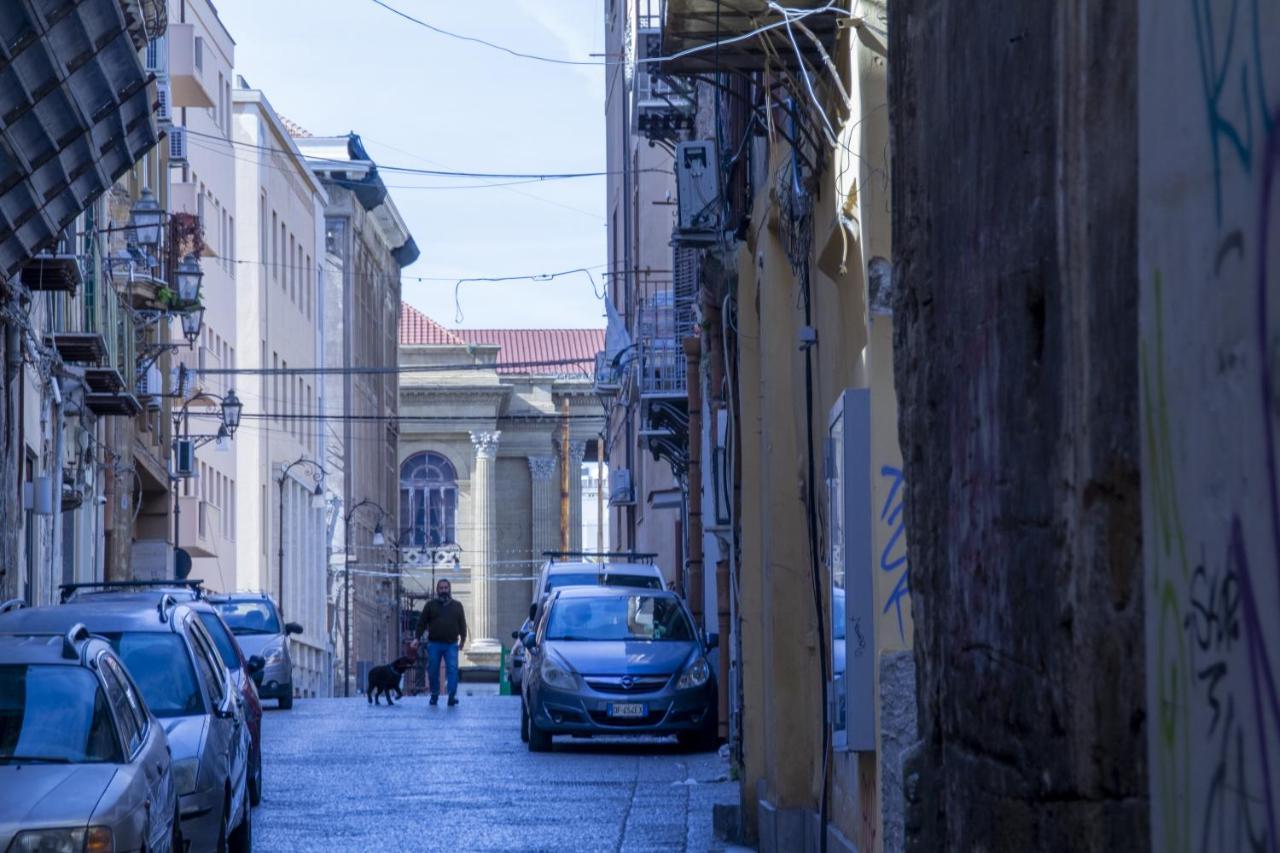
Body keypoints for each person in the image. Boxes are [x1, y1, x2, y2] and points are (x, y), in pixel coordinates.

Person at [415, 579, 466, 706]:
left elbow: (462, 624)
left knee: (453, 670)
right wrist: (417, 638)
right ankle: (434, 694)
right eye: (441, 588)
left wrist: (463, 640)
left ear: (449, 589)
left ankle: (452, 695)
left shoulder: (457, 605)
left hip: (451, 644)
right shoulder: (430, 605)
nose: (443, 590)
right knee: (432, 670)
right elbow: (421, 623)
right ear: (437, 590)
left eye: (446, 588)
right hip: (434, 644)